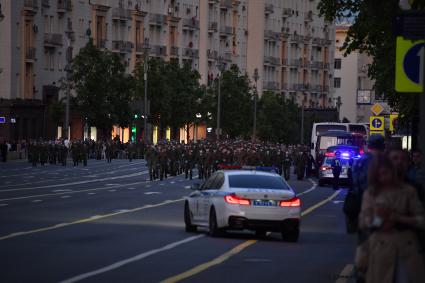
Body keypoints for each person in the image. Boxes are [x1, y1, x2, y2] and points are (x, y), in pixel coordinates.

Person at [356, 154, 425, 283]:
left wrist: (399, 218)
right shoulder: (371, 193)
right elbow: (365, 223)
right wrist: (378, 218)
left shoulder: (407, 191)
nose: (384, 177)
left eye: (386, 173)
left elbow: (421, 219)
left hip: (406, 248)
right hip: (380, 249)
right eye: (380, 174)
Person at [344, 134, 385, 233]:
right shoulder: (382, 160)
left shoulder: (360, 160)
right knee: (376, 228)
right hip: (377, 201)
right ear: (382, 146)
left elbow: (353, 180)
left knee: (364, 232)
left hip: (359, 200)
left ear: (369, 145)